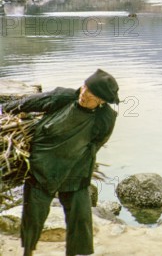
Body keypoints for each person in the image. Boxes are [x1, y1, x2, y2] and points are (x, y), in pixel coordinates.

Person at [3, 69, 120, 256]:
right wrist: (5, 109)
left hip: (75, 169)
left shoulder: (105, 118)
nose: (84, 94)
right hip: (42, 165)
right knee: (33, 216)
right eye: (85, 87)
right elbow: (29, 103)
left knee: (80, 219)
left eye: (91, 94)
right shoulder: (63, 98)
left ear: (101, 101)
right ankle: (28, 252)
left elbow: (96, 143)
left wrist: (75, 156)